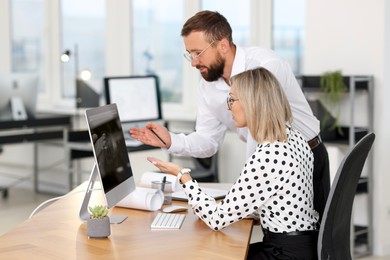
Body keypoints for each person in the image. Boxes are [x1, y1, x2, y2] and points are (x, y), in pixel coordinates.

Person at [130, 10, 329, 220]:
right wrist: (172, 140)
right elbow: (208, 140)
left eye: (198, 53)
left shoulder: (265, 67)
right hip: (268, 167)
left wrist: (243, 191)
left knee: (315, 242)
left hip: (304, 157)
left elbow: (262, 134)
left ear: (222, 45)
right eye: (189, 54)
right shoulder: (207, 86)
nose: (193, 62)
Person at [148, 67, 319, 259]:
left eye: (232, 99)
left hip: (285, 254)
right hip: (301, 246)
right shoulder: (293, 137)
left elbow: (216, 219)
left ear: (252, 103)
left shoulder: (269, 155)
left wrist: (182, 175)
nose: (228, 107)